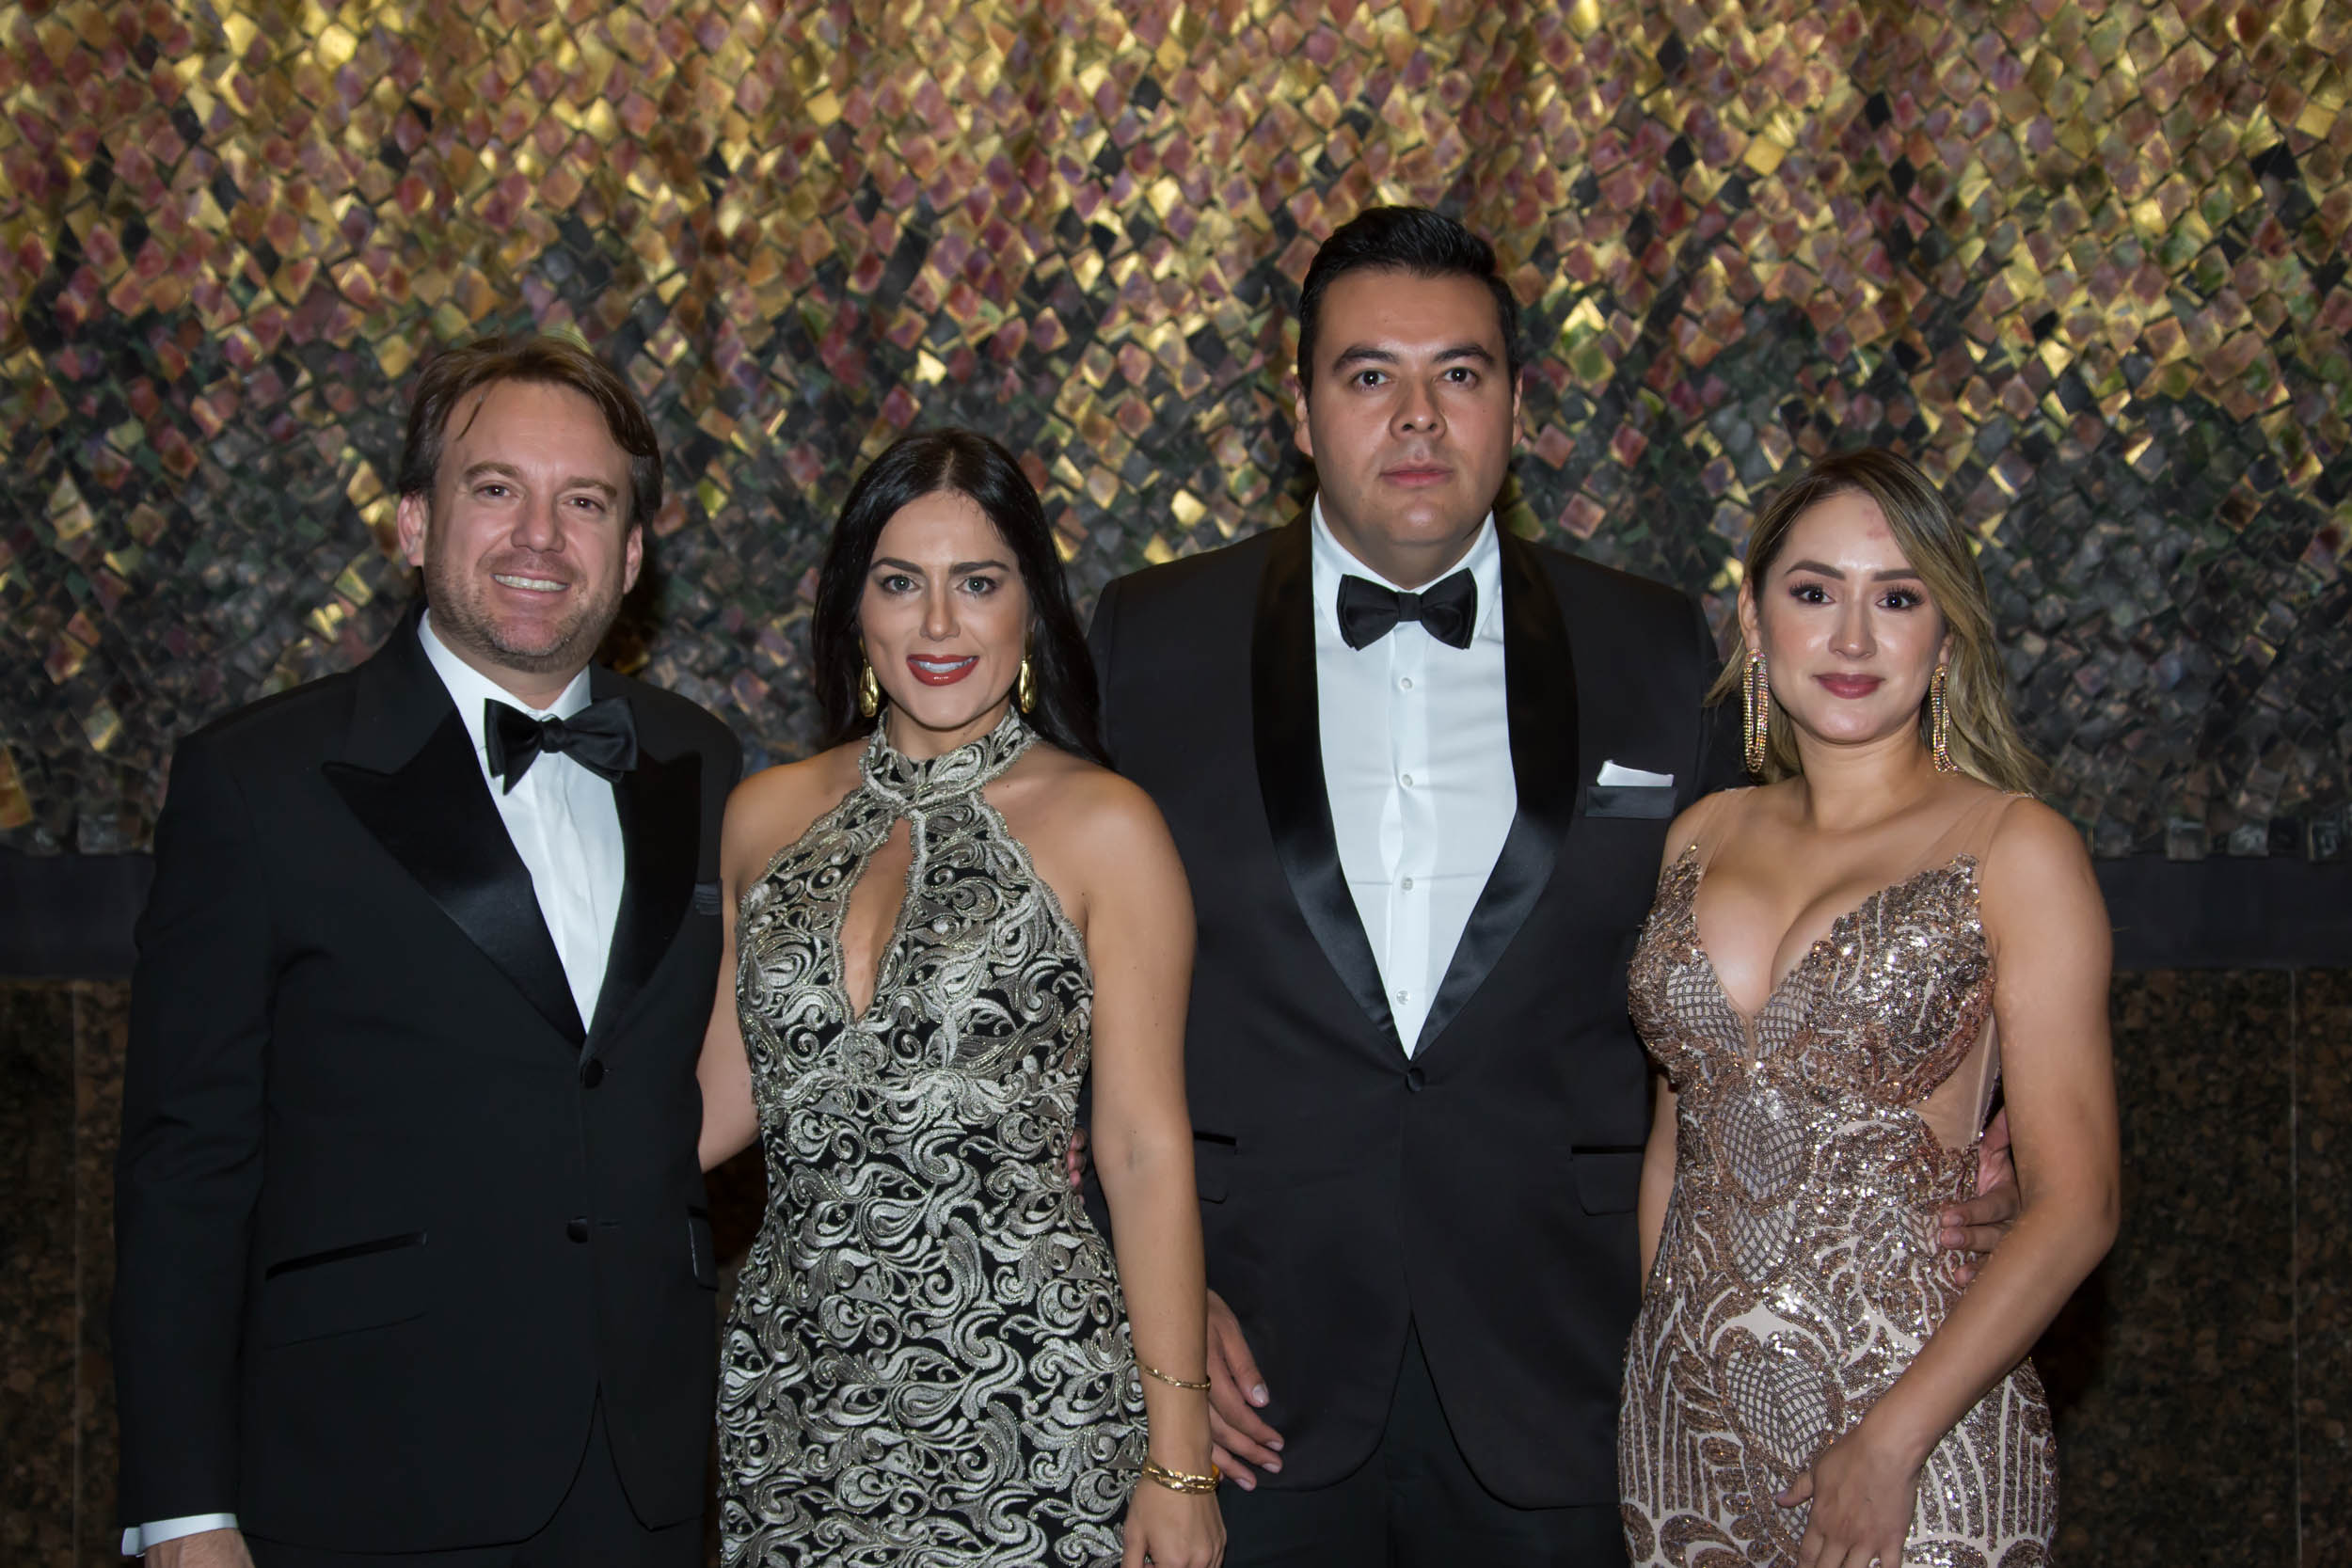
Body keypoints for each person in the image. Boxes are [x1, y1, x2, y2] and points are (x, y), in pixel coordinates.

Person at [1084, 207, 2019, 1564]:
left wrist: (1961, 1143)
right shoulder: (1151, 638)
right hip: (1240, 1371)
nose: (1417, 417)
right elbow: (1051, 1000)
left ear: (1517, 407)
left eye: (1459, 374)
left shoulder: (1653, 645)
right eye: (1368, 374)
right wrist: (1141, 1296)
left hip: (1574, 1362)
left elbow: (1800, 930)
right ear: (1299, 411)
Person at [112, 335, 741, 1567]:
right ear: (414, 522)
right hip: (365, 1471)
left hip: (644, 1479)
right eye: (495, 488)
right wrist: (185, 1508)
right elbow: (184, 1164)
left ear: (631, 553)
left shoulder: (703, 763)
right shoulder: (257, 778)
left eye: (585, 501)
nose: (538, 536)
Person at [695, 428, 1223, 1568]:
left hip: (1032, 1395)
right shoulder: (761, 817)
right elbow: (713, 1107)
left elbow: (1142, 1149)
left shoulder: (1108, 825)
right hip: (797, 1395)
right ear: (854, 608)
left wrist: (1179, 1461)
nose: (938, 625)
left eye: (977, 583)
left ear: (1029, 606)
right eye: (900, 583)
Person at [1616, 448, 2121, 1567]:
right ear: (1754, 621)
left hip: (1918, 1421)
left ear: (1945, 637)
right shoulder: (1699, 834)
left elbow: (2077, 1203)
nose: (1851, 638)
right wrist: (1664, 1377)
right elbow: (1674, 1153)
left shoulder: (2015, 846)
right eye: (1814, 592)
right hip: (1687, 1434)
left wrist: (1889, 1444)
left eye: (1896, 599)